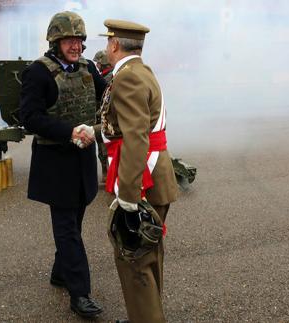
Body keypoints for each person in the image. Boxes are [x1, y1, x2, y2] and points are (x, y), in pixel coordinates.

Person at [19, 11, 107, 319]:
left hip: (82, 162)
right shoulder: (38, 73)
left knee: (74, 223)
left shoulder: (88, 68)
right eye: (69, 40)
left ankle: (60, 273)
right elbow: (29, 116)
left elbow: (104, 95)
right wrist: (68, 132)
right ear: (55, 41)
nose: (76, 46)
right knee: (68, 230)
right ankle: (80, 292)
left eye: (79, 40)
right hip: (55, 164)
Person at [98, 19, 178, 323]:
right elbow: (130, 127)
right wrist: (92, 132)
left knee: (134, 260)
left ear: (115, 44)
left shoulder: (127, 78)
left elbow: (135, 138)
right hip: (155, 175)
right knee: (148, 255)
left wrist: (129, 199)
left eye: (108, 42)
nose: (107, 47)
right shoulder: (140, 71)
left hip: (142, 180)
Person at [92, 50, 112, 183]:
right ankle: (107, 175)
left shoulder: (108, 77)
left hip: (105, 119)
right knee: (102, 150)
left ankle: (109, 176)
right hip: (102, 118)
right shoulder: (105, 76)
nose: (97, 65)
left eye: (98, 62)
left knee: (105, 150)